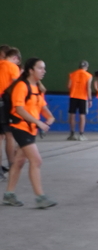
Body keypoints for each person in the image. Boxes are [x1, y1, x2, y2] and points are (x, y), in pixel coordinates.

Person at [2, 58, 57, 208]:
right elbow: (19, 109)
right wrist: (38, 122)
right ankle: (40, 197)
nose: (43, 71)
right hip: (20, 127)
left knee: (19, 161)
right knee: (36, 161)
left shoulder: (37, 87)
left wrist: (50, 117)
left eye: (44, 68)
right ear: (30, 70)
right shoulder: (21, 86)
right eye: (40, 68)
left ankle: (9, 195)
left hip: (30, 129)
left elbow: (42, 106)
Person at [0, 46, 22, 176]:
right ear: (15, 58)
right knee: (9, 135)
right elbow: (17, 86)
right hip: (4, 103)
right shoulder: (12, 67)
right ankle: (12, 165)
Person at [66, 61, 92, 141]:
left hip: (73, 96)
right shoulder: (88, 75)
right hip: (83, 97)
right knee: (82, 115)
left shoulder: (72, 74)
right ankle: (81, 134)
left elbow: (69, 86)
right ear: (86, 67)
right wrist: (90, 99)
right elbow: (88, 88)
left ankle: (72, 134)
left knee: (72, 115)